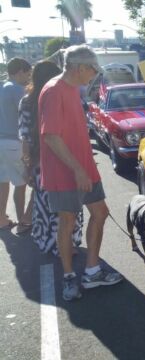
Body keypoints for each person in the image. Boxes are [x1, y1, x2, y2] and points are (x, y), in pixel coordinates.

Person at [39, 45, 122, 301]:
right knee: (68, 221)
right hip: (65, 172)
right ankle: (68, 277)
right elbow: (51, 135)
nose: (94, 74)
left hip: (83, 168)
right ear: (79, 68)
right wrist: (77, 169)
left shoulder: (73, 89)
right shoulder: (54, 90)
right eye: (92, 69)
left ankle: (92, 270)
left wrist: (86, 164)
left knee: (101, 213)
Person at [18, 60, 84, 255]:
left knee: (45, 206)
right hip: (67, 160)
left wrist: (27, 166)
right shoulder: (64, 96)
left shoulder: (27, 101)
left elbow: (26, 137)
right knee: (68, 205)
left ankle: (49, 242)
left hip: (40, 163)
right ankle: (67, 245)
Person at [0, 57, 32, 233]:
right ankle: (23, 221)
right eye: (27, 73)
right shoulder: (18, 90)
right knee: (21, 184)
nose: (28, 78)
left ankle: (1, 219)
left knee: (2, 181)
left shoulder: (1, 87)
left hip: (0, 141)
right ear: (20, 71)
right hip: (14, 142)